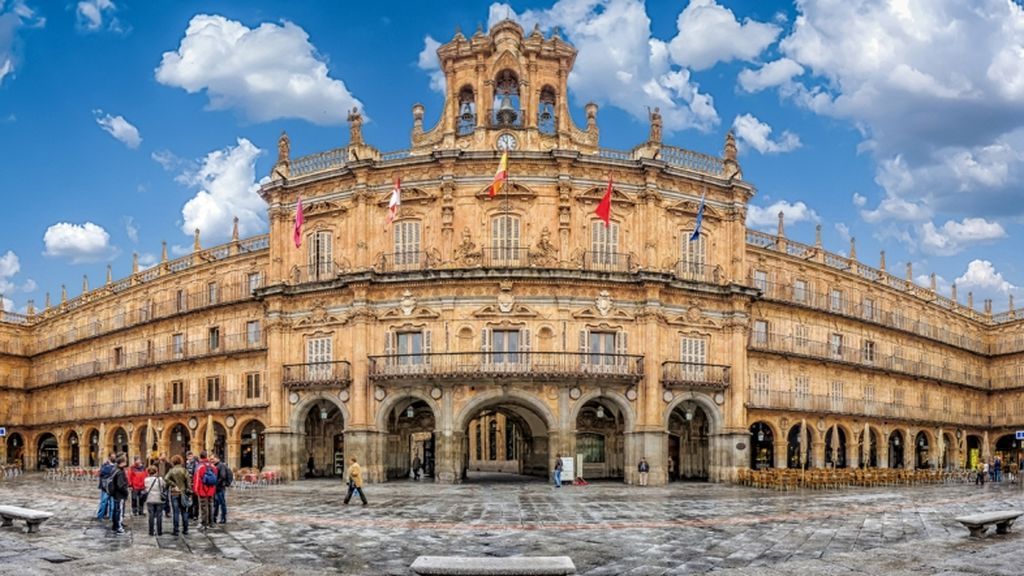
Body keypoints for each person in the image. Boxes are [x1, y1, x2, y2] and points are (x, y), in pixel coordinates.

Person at [164, 455, 190, 536]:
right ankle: (185, 529)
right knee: (184, 511)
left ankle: (176, 530)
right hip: (183, 492)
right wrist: (188, 489)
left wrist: (173, 484)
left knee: (175, 512)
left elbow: (166, 478)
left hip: (174, 493)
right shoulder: (184, 470)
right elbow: (188, 481)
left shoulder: (171, 471)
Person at [192, 450, 217, 530]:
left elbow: (196, 480)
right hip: (211, 489)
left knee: (203, 507)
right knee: (210, 505)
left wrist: (195, 490)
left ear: (200, 457)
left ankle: (204, 523)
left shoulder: (200, 467)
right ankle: (211, 522)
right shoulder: (213, 466)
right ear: (207, 456)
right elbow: (215, 477)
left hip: (202, 490)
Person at [109, 455, 129, 535]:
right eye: (125, 460)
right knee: (119, 511)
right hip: (119, 494)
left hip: (115, 493)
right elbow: (121, 485)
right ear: (122, 462)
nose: (127, 461)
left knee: (115, 510)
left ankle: (114, 526)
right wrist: (126, 492)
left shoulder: (114, 469)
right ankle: (118, 527)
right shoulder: (120, 472)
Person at [143, 465, 165, 536]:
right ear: (156, 472)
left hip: (150, 499)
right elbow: (164, 486)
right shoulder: (160, 479)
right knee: (159, 515)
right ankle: (159, 531)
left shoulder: (146, 480)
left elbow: (145, 488)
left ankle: (151, 531)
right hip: (159, 499)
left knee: (151, 515)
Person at [213, 455, 233, 524]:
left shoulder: (220, 466)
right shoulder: (216, 465)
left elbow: (222, 476)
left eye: (213, 458)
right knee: (216, 503)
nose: (212, 460)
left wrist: (216, 483)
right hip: (218, 487)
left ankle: (223, 518)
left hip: (220, 487)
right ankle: (214, 517)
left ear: (218, 458)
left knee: (222, 503)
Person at [95, 453, 115, 520]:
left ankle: (111, 517)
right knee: (104, 502)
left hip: (113, 487)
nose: (114, 458)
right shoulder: (105, 465)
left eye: (114, 457)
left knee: (112, 503)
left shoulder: (115, 466)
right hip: (105, 487)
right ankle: (100, 516)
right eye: (113, 457)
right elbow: (101, 472)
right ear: (109, 457)